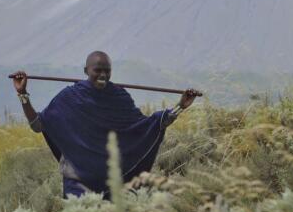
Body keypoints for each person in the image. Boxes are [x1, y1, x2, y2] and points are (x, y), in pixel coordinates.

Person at [11, 51, 200, 198]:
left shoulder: (119, 97)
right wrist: (23, 94)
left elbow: (144, 127)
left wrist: (179, 107)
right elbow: (37, 125)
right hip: (77, 183)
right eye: (97, 70)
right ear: (86, 71)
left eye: (107, 70)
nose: (103, 75)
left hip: (111, 184)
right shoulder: (69, 98)